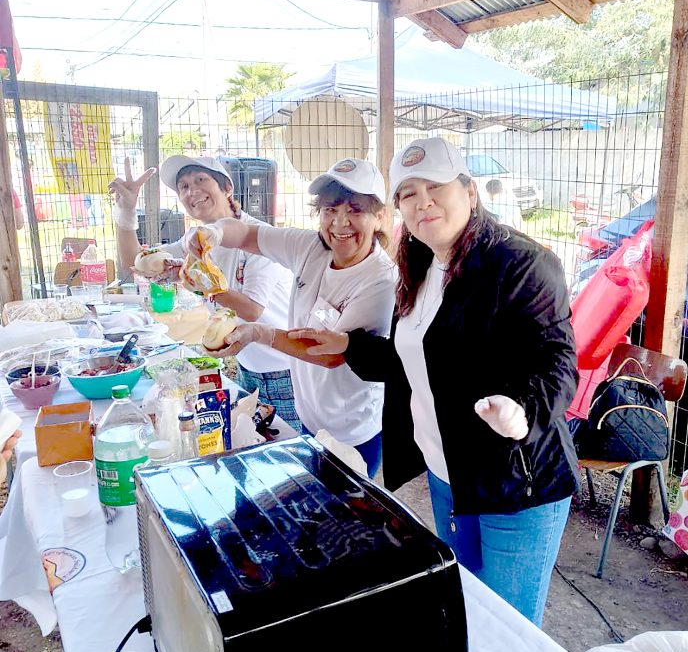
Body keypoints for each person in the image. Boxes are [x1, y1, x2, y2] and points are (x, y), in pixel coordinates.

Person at [290, 137, 580, 626]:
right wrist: (348, 346)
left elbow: (558, 359)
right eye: (407, 193)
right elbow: (416, 362)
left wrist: (523, 410)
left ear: (468, 190)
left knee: (509, 625)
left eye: (435, 186)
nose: (422, 202)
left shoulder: (521, 263)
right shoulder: (420, 264)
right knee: (465, 606)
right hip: (449, 474)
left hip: (516, 480)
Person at [184, 158, 397, 478]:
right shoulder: (310, 246)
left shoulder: (379, 280)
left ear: (379, 216)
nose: (340, 223)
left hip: (350, 433)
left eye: (355, 210)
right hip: (308, 416)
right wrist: (213, 232)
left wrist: (259, 333)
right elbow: (244, 234)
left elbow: (331, 355)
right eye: (330, 210)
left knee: (342, 520)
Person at [108, 154, 300, 431]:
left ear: (227, 188)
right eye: (183, 186)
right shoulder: (196, 241)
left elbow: (251, 310)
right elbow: (138, 262)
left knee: (291, 453)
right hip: (248, 364)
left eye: (200, 179)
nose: (192, 190)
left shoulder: (259, 237)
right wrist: (126, 213)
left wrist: (196, 282)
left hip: (284, 369)